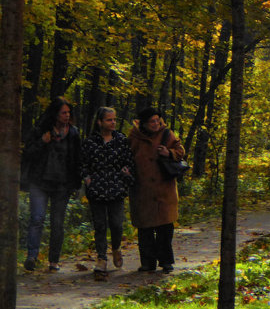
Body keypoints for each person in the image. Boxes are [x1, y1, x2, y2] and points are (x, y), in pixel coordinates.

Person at [22, 97, 82, 272]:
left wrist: (77, 183)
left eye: (68, 112)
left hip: (62, 185)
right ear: (55, 114)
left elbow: (78, 159)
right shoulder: (41, 130)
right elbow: (28, 153)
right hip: (39, 182)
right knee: (37, 218)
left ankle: (53, 261)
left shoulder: (73, 133)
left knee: (57, 223)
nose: (67, 115)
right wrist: (43, 142)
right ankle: (32, 256)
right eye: (63, 112)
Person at [128, 107, 185, 274]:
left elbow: (181, 151)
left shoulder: (167, 134)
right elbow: (127, 156)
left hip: (164, 189)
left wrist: (169, 153)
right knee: (145, 228)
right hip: (142, 190)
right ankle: (147, 262)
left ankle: (166, 262)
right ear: (143, 123)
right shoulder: (134, 137)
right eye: (152, 121)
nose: (155, 124)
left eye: (157, 120)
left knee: (165, 228)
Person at [81, 107, 135, 280]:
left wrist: (126, 174)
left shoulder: (121, 140)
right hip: (96, 189)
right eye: (109, 120)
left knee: (116, 223)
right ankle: (101, 258)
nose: (113, 123)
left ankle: (117, 247)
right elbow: (82, 163)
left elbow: (129, 161)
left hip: (116, 188)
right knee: (100, 225)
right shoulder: (90, 142)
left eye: (114, 119)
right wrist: (87, 178)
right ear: (100, 122)